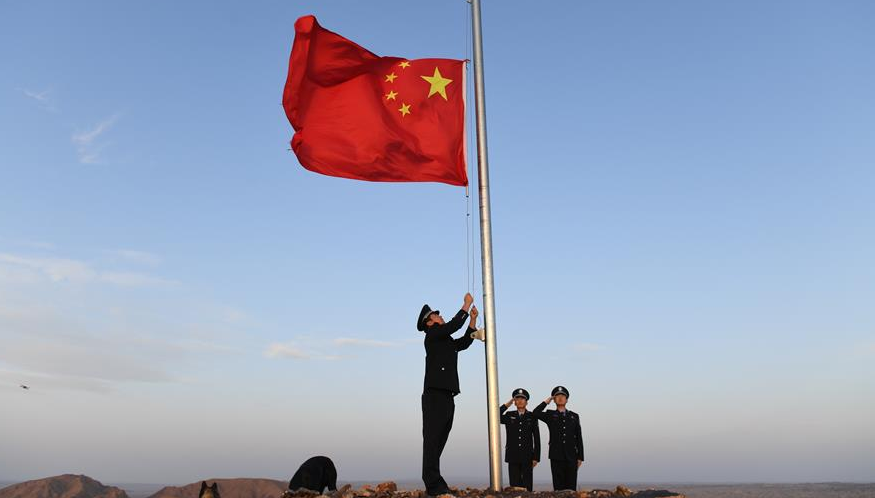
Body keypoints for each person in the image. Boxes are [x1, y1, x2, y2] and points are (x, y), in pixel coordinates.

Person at [417, 293, 479, 497]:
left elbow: (463, 343)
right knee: (432, 440)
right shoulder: (433, 335)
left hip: (446, 394)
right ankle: (433, 484)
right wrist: (466, 305)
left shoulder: (443, 339)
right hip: (434, 395)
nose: (439, 315)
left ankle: (436, 482)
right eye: (435, 315)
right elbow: (454, 325)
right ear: (429, 322)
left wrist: (472, 320)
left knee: (440, 439)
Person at [533, 386, 584, 491]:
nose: (560, 398)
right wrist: (547, 401)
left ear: (567, 400)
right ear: (554, 400)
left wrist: (580, 457)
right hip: (556, 455)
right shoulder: (550, 415)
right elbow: (535, 413)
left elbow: (579, 437)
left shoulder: (574, 416)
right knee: (558, 487)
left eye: (563, 396)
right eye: (557, 396)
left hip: (572, 456)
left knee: (571, 487)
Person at [499, 388, 540, 491]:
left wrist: (536, 457)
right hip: (512, 455)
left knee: (527, 486)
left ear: (526, 402)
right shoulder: (509, 415)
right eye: (517, 399)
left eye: (523, 399)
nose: (520, 401)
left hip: (527, 456)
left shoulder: (532, 416)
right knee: (514, 486)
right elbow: (495, 415)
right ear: (514, 402)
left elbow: (536, 438)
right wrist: (507, 404)